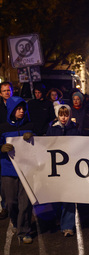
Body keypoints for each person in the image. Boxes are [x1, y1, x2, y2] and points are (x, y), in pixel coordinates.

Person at [0, 96, 35, 244]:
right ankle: (15, 221)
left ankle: (24, 230)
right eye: (18, 109)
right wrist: (1, 149)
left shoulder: (30, 126)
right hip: (8, 170)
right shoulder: (3, 128)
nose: (21, 111)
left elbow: (39, 147)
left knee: (25, 203)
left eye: (23, 109)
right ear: (11, 110)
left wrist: (34, 138)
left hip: (26, 170)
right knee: (10, 202)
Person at [46, 104, 79, 237]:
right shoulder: (52, 130)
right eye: (61, 115)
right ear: (57, 115)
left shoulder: (74, 129)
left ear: (69, 115)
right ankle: (59, 218)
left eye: (66, 115)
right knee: (55, 197)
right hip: (55, 169)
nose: (64, 118)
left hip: (69, 169)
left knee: (69, 197)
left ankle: (68, 225)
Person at [0, 81, 13, 220]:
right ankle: (5, 205)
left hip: (15, 143)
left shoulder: (18, 105)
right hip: (2, 143)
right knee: (3, 178)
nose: (7, 93)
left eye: (9, 90)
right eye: (4, 91)